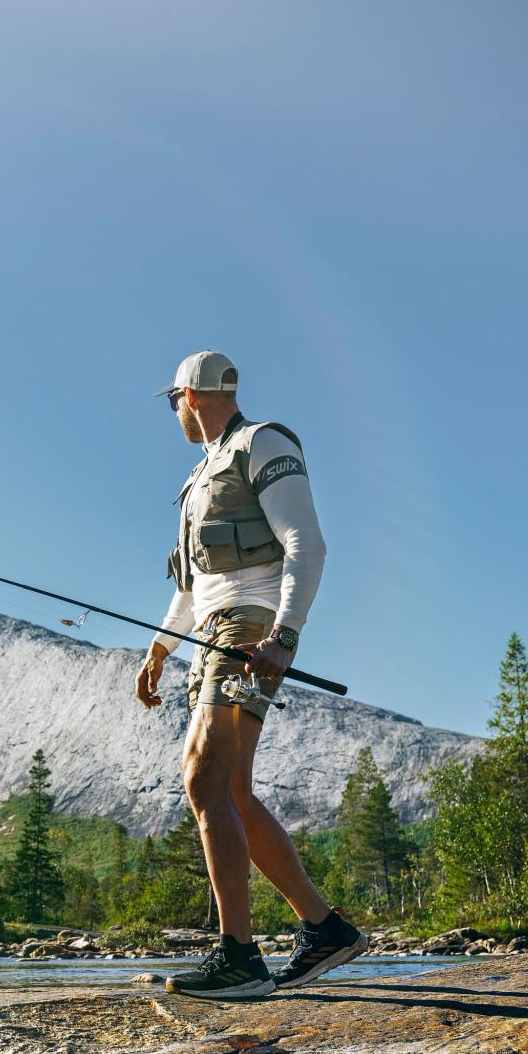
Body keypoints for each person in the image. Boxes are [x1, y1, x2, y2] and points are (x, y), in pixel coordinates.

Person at [134, 350, 367, 999]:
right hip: (210, 632)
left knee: (203, 779)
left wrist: (283, 636)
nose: (174, 413)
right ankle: (325, 930)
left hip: (247, 628)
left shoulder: (263, 444)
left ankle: (239, 958)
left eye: (173, 401)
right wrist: (160, 648)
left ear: (189, 395)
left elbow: (307, 544)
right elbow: (194, 584)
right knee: (232, 791)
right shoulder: (199, 475)